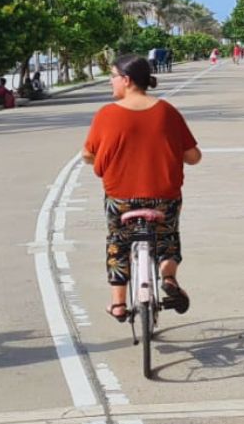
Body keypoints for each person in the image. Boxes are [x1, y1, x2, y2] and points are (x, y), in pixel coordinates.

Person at [82, 55, 202, 321]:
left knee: (117, 243)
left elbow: (88, 155)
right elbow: (194, 157)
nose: (110, 82)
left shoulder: (106, 114)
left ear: (126, 80)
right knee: (168, 238)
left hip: (120, 199)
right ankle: (168, 277)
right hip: (163, 198)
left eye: (112, 76)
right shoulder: (167, 111)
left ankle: (118, 304)